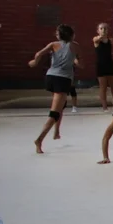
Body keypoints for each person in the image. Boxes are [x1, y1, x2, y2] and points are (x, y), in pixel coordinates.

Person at [29, 24, 79, 154]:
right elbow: (81, 63)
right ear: (72, 35)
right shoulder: (75, 46)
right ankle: (39, 139)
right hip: (63, 79)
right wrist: (75, 61)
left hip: (51, 76)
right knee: (55, 112)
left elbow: (39, 53)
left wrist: (35, 62)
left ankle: (56, 131)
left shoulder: (53, 44)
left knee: (61, 105)